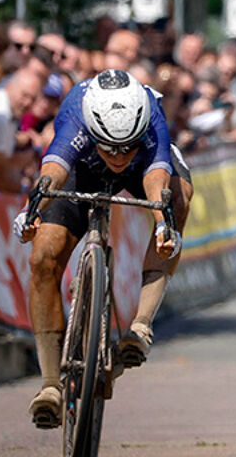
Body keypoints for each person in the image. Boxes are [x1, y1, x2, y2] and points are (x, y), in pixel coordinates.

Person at [13, 69, 192, 429]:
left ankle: (140, 326)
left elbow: (156, 179)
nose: (119, 156)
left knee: (179, 198)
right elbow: (54, 170)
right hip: (81, 164)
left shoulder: (151, 117)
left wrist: (163, 224)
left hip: (147, 166)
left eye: (127, 147)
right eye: (111, 148)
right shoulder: (77, 113)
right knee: (43, 256)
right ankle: (49, 383)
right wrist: (32, 210)